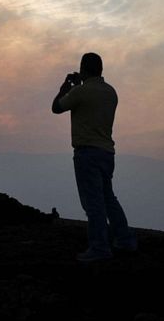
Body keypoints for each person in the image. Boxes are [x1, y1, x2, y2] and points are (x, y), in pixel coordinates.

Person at [52, 52, 137, 262]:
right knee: (108, 199)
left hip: (87, 153)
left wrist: (66, 87)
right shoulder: (111, 92)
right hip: (107, 153)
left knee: (93, 203)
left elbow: (56, 107)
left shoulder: (80, 92)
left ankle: (99, 247)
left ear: (83, 68)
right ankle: (124, 239)